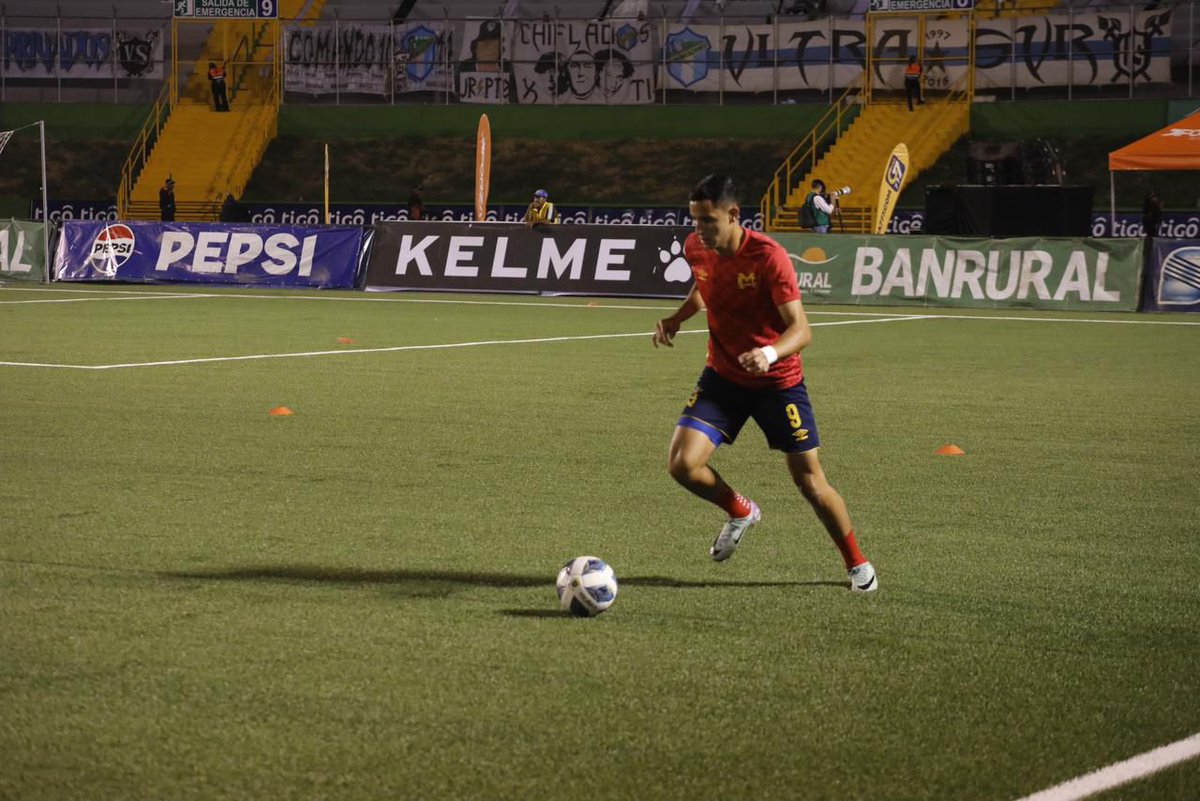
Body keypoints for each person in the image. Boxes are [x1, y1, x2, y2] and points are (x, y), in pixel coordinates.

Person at [652, 174, 877, 593]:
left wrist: (769, 353)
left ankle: (857, 562)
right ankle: (741, 511)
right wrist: (676, 319)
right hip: (722, 376)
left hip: (777, 383)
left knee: (810, 482)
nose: (699, 230)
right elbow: (704, 288)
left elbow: (801, 329)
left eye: (708, 220)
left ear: (734, 215)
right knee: (682, 465)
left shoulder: (768, 257)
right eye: (694, 220)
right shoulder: (695, 246)